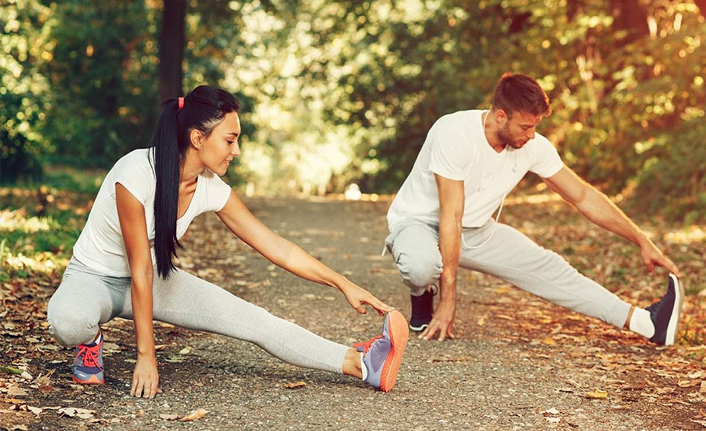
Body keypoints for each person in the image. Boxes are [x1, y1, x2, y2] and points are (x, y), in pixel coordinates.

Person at [47, 85, 409, 397]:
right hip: (93, 277)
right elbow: (138, 266)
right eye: (230, 139)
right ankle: (90, 342)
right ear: (197, 138)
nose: (236, 150)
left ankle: (364, 363)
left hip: (153, 280)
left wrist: (342, 283)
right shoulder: (135, 174)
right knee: (70, 320)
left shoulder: (209, 187)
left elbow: (275, 246)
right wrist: (146, 356)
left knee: (255, 321)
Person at [384, 72, 683, 345]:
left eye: (535, 127)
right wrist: (449, 300)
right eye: (525, 126)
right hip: (418, 223)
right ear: (500, 116)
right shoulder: (454, 132)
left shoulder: (533, 145)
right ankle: (422, 292)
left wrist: (641, 239)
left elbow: (582, 196)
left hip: (474, 230)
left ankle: (647, 323)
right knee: (422, 266)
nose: (531, 135)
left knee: (551, 268)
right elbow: (450, 215)